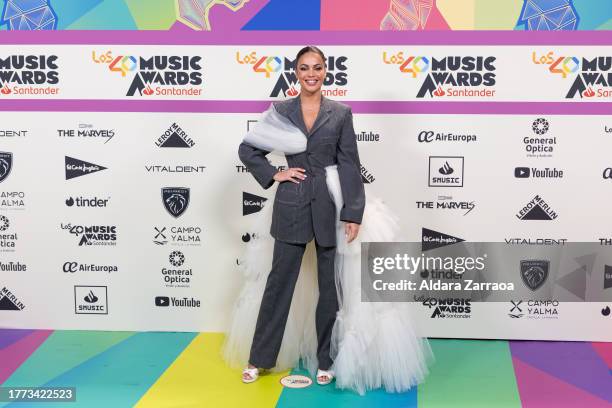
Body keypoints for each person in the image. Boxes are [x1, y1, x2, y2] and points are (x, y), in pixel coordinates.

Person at [223, 46, 433, 395]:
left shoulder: (340, 113)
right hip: (291, 204)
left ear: (325, 72)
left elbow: (349, 163)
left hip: (330, 207)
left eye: (317, 67)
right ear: (295, 73)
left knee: (329, 289)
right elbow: (249, 149)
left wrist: (353, 213)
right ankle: (260, 358)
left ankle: (326, 359)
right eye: (304, 67)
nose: (311, 73)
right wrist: (276, 173)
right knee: (279, 285)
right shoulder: (280, 111)